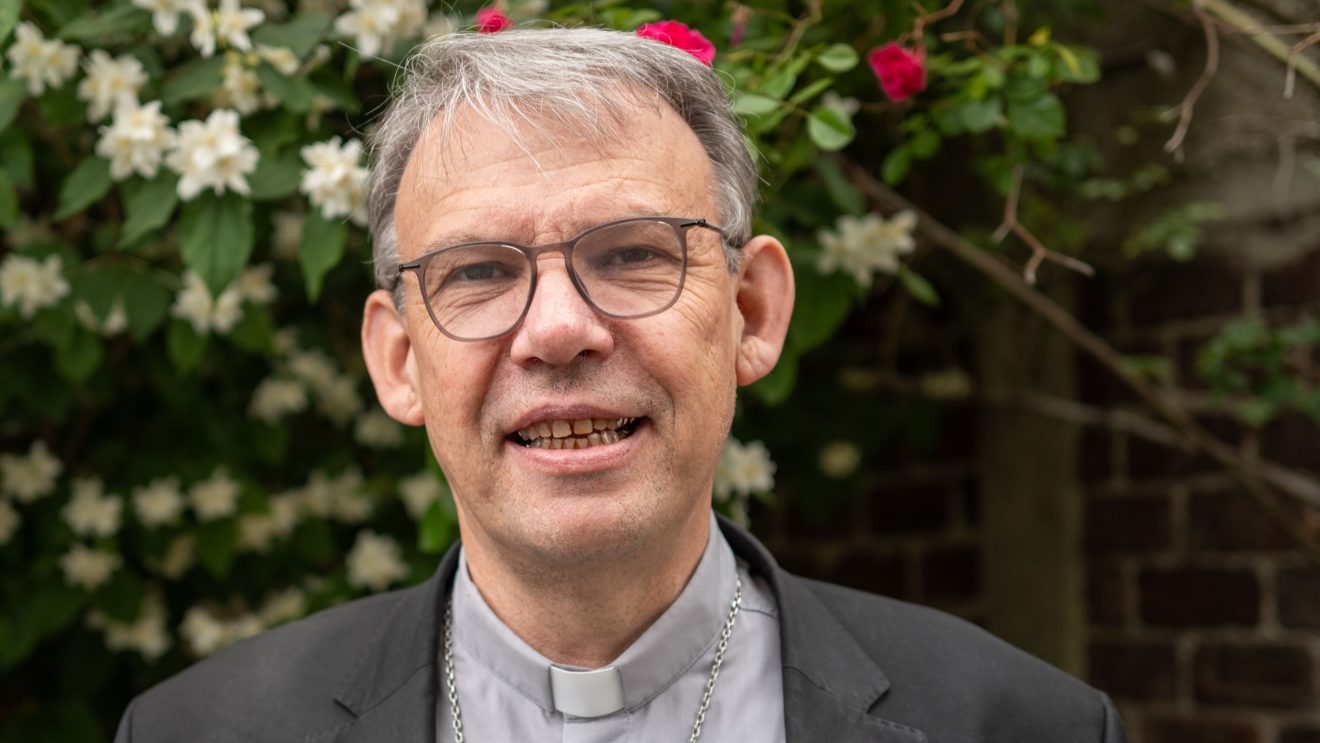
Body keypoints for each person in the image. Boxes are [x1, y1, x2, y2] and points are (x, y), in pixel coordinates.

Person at [114, 27, 1126, 743]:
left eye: (634, 253)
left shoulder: (1022, 724)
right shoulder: (194, 731)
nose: (558, 330)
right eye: (478, 272)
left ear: (752, 311)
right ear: (399, 360)